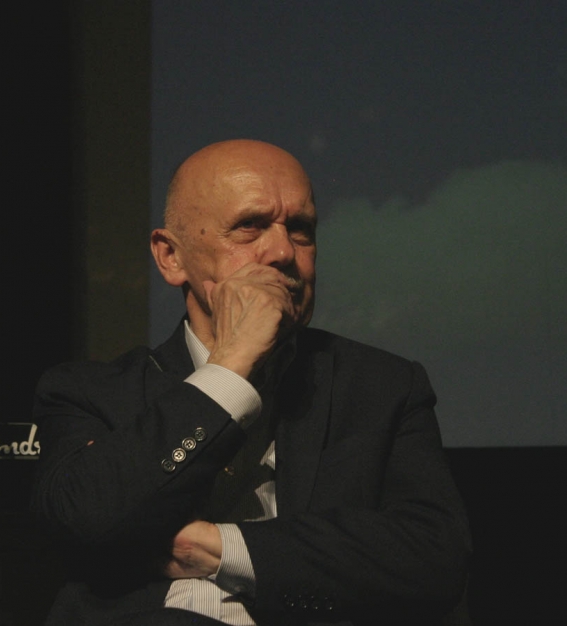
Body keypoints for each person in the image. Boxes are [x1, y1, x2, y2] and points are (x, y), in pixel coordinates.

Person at [30, 139, 471, 625]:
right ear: (171, 257)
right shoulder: (89, 392)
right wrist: (231, 365)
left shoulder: (381, 386)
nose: (283, 252)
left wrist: (218, 548)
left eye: (300, 230)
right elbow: (86, 519)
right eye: (250, 227)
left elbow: (435, 557)